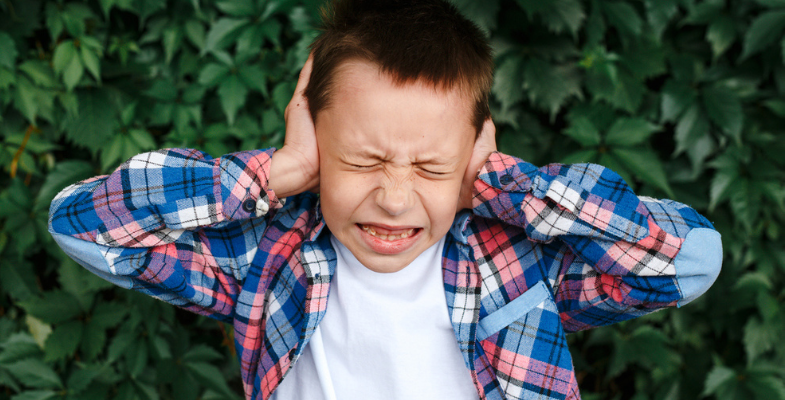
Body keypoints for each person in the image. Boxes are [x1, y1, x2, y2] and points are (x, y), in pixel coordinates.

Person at [47, 0, 723, 399]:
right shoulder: (267, 256)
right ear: (314, 137)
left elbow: (689, 260)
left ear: (478, 150)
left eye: (432, 166)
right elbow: (84, 224)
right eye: (361, 159)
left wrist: (507, 187)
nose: (394, 197)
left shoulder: (520, 262)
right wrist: (279, 172)